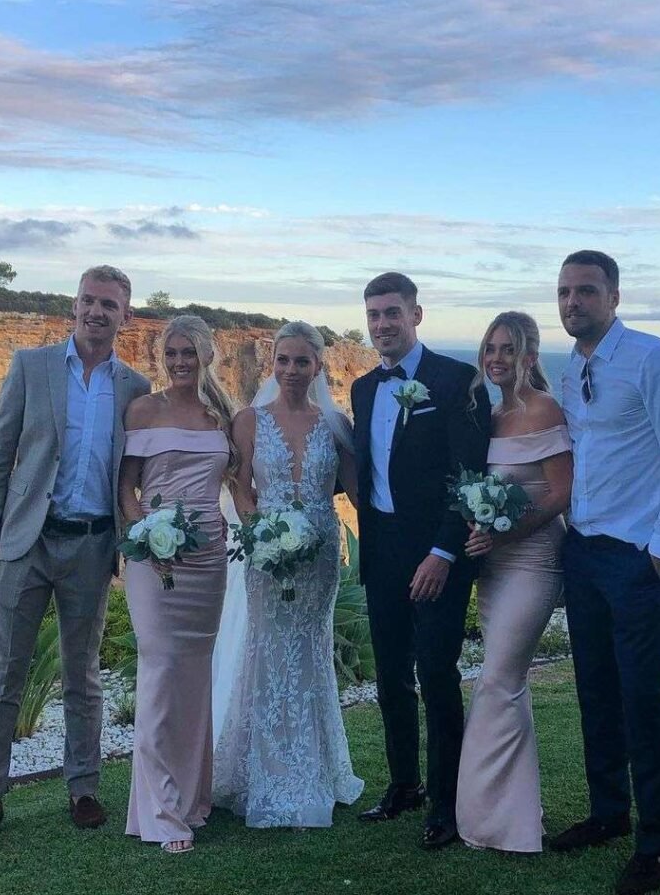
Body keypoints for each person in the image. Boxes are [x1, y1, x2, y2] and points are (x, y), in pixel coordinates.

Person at [0, 265, 150, 849]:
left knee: (84, 675)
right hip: (27, 542)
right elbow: (0, 455)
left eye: (110, 304)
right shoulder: (32, 366)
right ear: (74, 306)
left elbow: (139, 471)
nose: (97, 312)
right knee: (4, 675)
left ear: (126, 315)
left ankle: (83, 788)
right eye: (89, 301)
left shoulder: (134, 389)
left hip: (93, 546)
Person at [551, 250, 660, 895]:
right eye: (564, 292)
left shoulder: (654, 358)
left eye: (586, 291)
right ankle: (609, 814)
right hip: (584, 553)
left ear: (614, 297)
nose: (572, 303)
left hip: (638, 559)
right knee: (595, 692)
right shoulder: (574, 366)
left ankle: (655, 844)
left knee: (642, 701)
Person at [351, 272, 490, 850]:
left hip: (438, 554)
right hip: (380, 551)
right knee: (390, 676)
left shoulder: (456, 380)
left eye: (392, 313)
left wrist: (442, 551)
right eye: (374, 315)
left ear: (417, 314)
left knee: (436, 674)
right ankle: (403, 784)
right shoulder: (362, 388)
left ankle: (446, 801)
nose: (383, 324)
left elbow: (469, 477)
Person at [212, 321, 364, 828]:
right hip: (266, 556)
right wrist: (261, 536)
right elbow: (238, 486)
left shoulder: (335, 425)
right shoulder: (249, 420)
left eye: (302, 361)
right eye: (284, 360)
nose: (292, 370)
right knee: (270, 651)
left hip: (320, 555)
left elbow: (357, 491)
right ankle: (262, 774)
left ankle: (316, 771)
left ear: (318, 366)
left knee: (310, 652)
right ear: (272, 364)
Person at [455, 312, 572, 853]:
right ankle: (515, 815)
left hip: (534, 562)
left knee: (498, 681)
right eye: (490, 349)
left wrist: (505, 534)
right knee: (506, 684)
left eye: (509, 349)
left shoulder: (545, 410)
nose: (497, 358)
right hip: (493, 567)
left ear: (529, 356)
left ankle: (493, 821)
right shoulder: (489, 415)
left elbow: (558, 495)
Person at [119, 315, 236, 854]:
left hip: (210, 561)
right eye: (172, 353)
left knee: (194, 682)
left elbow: (244, 483)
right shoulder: (144, 409)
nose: (180, 362)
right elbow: (126, 489)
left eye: (189, 352)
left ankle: (190, 800)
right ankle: (160, 813)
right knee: (161, 675)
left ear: (207, 355)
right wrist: (146, 537)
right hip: (155, 563)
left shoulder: (223, 416)